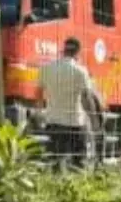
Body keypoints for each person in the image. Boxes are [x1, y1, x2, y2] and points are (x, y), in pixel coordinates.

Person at [37, 37, 103, 168]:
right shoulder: (80, 71)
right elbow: (86, 98)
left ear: (63, 50)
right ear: (78, 52)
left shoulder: (46, 68)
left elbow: (39, 94)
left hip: (53, 122)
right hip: (75, 124)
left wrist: (41, 114)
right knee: (78, 164)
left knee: (55, 162)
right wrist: (94, 120)